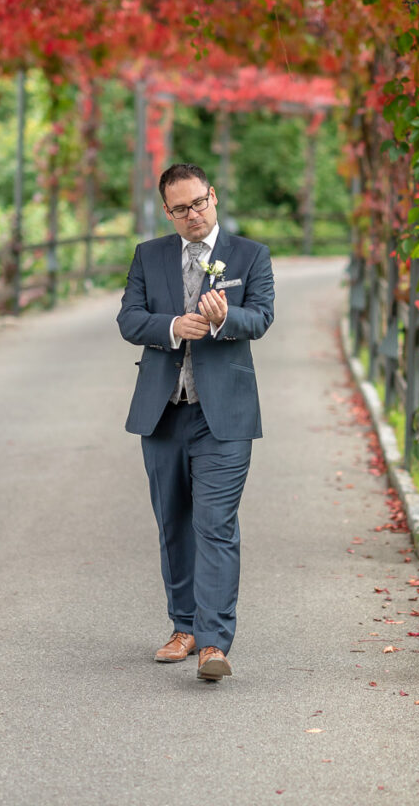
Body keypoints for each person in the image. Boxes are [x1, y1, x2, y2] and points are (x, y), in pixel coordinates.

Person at [117, 162, 274, 682]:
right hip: (163, 413)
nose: (193, 215)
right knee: (173, 524)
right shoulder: (149, 256)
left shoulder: (250, 255)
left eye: (199, 203)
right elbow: (129, 319)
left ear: (214, 196)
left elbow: (262, 317)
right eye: (180, 209)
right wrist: (170, 326)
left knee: (215, 525)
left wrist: (224, 317)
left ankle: (212, 644)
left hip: (222, 417)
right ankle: (182, 627)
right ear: (167, 211)